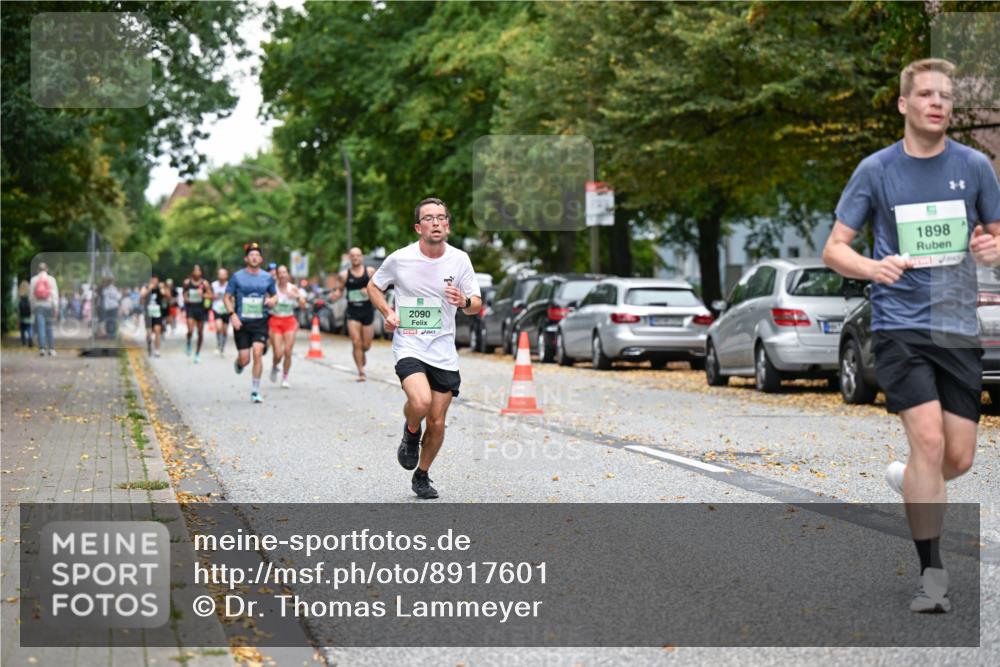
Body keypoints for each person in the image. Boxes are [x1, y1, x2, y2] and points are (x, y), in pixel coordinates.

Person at [823, 58, 1000, 614]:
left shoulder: (975, 166)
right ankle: (932, 577)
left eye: (945, 96)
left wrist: (992, 249)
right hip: (900, 324)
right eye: (925, 94)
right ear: (904, 104)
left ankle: (911, 479)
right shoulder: (876, 171)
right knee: (926, 442)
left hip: (956, 327)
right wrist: (872, 269)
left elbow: (997, 236)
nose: (937, 104)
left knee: (959, 457)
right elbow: (835, 248)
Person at [369, 197, 482, 499]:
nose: (436, 222)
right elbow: (374, 286)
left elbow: (476, 305)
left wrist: (464, 301)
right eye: (429, 218)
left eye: (441, 217)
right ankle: (410, 432)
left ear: (448, 225)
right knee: (419, 403)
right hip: (409, 344)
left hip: (443, 350)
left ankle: (422, 475)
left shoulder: (460, 260)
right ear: (418, 227)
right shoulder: (400, 259)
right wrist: (387, 313)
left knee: (437, 421)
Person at [225, 242, 277, 403]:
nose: (254, 257)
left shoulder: (267, 277)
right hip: (241, 322)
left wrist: (272, 301)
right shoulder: (237, 277)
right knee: (245, 358)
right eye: (251, 255)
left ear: (260, 259)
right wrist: (232, 314)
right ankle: (239, 363)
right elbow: (227, 297)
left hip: (260, 322)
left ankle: (255, 390)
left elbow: (274, 296)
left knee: (257, 353)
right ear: (246, 258)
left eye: (257, 255)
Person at [331, 247, 377, 381]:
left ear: (361, 257)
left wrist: (368, 291)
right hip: (352, 312)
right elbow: (339, 290)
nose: (356, 258)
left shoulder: (370, 272)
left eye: (358, 255)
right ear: (350, 258)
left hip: (367, 312)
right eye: (353, 256)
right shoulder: (345, 275)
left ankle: (362, 352)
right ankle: (361, 372)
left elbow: (379, 289)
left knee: (366, 345)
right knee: (356, 342)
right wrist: (335, 295)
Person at [268, 265, 306, 388]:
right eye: (280, 273)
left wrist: (297, 297)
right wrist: (271, 302)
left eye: (285, 272)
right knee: (278, 354)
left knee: (288, 352)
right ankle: (275, 366)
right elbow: (266, 302)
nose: (283, 275)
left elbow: (303, 305)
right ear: (277, 275)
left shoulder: (293, 288)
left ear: (288, 274)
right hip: (275, 321)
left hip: (289, 321)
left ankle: (285, 377)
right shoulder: (272, 288)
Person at [183, 264, 212, 363]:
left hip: (201, 309)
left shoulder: (205, 283)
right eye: (195, 270)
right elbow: (184, 294)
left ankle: (197, 353)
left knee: (200, 332)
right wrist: (186, 298)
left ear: (201, 272)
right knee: (190, 330)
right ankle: (189, 342)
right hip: (191, 308)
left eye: (198, 270)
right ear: (192, 272)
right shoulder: (187, 282)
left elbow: (211, 295)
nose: (197, 272)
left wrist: (203, 295)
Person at [29, 262, 59, 356]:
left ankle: (42, 348)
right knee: (49, 327)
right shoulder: (51, 280)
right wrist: (55, 307)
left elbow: (31, 296)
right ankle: (51, 349)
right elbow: (55, 295)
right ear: (47, 269)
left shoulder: (34, 280)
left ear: (38, 270)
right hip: (49, 305)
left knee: (40, 327)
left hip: (38, 306)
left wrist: (33, 307)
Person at [141, 276, 170, 358]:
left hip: (157, 313)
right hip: (148, 314)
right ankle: (149, 345)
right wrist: (149, 289)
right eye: (152, 280)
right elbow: (142, 297)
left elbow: (168, 297)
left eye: (156, 281)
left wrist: (164, 288)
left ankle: (157, 350)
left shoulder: (159, 289)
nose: (154, 282)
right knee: (149, 333)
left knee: (157, 331)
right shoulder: (146, 287)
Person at [211, 268, 232, 355]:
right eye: (220, 274)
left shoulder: (230, 285)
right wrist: (213, 296)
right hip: (217, 309)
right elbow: (209, 295)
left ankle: (222, 347)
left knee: (225, 330)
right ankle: (219, 343)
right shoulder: (214, 285)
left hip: (226, 309)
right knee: (219, 327)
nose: (222, 276)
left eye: (224, 274)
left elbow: (233, 296)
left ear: (227, 275)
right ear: (218, 275)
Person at [17, 281, 32, 348]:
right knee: (29, 328)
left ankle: (23, 342)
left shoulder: (19, 294)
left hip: (22, 315)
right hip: (29, 315)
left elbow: (17, 307)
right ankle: (30, 337)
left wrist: (17, 317)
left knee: (22, 329)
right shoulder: (30, 294)